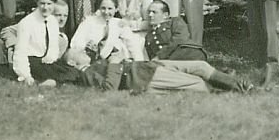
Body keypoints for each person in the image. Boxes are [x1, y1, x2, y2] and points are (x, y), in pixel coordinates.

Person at [64, 49, 251, 94]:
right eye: (77, 52)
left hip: (147, 66)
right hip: (142, 78)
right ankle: (246, 88)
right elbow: (109, 89)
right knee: (199, 84)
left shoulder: (94, 64)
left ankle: (237, 83)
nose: (83, 51)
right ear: (72, 62)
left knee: (200, 66)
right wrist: (114, 63)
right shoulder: (85, 74)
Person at [13, 0, 77, 86]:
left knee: (73, 71)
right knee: (62, 73)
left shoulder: (52, 21)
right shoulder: (27, 23)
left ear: (54, 4)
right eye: (42, 3)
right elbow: (20, 52)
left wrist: (50, 57)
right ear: (37, 3)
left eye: (49, 4)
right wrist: (26, 75)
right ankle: (53, 82)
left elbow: (53, 46)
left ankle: (53, 82)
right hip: (32, 61)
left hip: (46, 61)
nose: (45, 7)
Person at [69, 0, 144, 63]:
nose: (106, 12)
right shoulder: (89, 21)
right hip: (87, 59)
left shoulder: (118, 23)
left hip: (107, 60)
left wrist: (139, 62)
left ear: (116, 9)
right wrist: (86, 49)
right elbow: (77, 41)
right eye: (103, 8)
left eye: (110, 8)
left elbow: (132, 44)